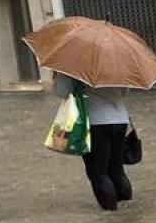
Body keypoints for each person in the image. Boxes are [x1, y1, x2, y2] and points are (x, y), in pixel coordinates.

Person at [52, 73, 131, 210]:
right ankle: (127, 210)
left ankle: (110, 213)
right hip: (120, 120)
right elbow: (125, 92)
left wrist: (59, 76)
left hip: (95, 122)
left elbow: (61, 91)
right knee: (116, 168)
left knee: (98, 172)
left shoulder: (75, 66)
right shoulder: (116, 64)